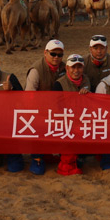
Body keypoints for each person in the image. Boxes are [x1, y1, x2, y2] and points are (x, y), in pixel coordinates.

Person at [24, 39, 67, 175]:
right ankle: (36, 158)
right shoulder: (36, 70)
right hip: (39, 109)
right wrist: (41, 111)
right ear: (45, 53)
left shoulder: (65, 68)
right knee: (38, 126)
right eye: (53, 54)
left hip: (59, 109)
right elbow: (29, 96)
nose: (56, 57)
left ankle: (57, 154)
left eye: (59, 55)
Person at [52, 53, 91, 175]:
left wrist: (87, 95)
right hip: (65, 122)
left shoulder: (86, 80)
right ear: (67, 68)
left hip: (83, 120)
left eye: (79, 67)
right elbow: (55, 109)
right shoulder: (59, 84)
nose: (76, 70)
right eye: (73, 67)